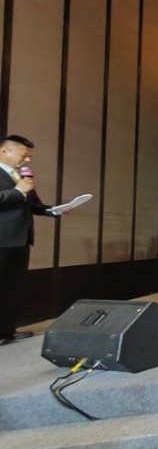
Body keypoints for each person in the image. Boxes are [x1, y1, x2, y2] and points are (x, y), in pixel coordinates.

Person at [0, 135, 60, 345]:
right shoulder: (18, 183)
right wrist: (18, 191)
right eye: (24, 155)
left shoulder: (21, 177)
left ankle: (7, 330)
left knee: (12, 289)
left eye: (29, 157)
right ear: (4, 151)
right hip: (1, 240)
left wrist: (54, 210)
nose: (27, 160)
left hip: (21, 240)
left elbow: (34, 205)